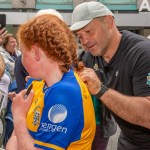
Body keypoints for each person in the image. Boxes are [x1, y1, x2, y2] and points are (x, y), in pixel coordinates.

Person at [6, 14, 96, 149]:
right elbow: (14, 138)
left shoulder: (65, 93)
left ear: (36, 53)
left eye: (23, 53)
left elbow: (20, 130)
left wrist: (18, 117)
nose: (21, 60)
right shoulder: (36, 83)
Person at [70, 1, 150, 150]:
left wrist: (100, 90)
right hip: (128, 141)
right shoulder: (90, 56)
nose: (85, 41)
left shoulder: (143, 53)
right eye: (80, 36)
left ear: (109, 21)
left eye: (89, 31)